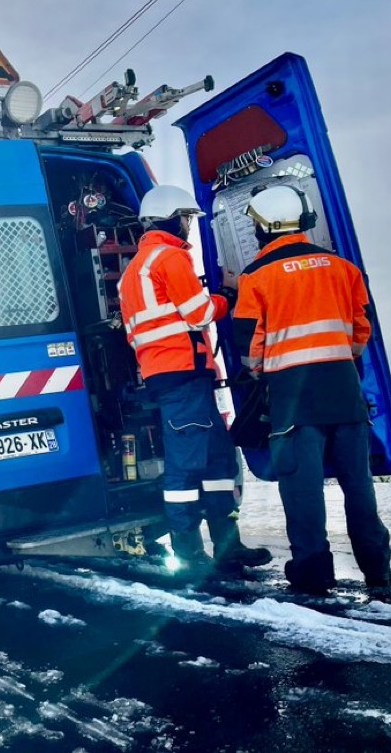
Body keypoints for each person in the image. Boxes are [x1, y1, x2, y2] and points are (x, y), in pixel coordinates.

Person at [231, 184, 391, 595]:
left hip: (293, 402)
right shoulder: (344, 269)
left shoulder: (255, 278)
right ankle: (378, 574)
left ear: (265, 228)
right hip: (344, 393)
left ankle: (314, 576)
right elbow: (362, 331)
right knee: (359, 490)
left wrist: (263, 370)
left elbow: (250, 349)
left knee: (303, 494)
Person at [118, 185, 272, 574]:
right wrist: (229, 296)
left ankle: (228, 547)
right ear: (170, 217)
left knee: (220, 461)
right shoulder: (169, 257)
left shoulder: (133, 271)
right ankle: (189, 555)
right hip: (182, 375)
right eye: (185, 217)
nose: (187, 225)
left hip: (176, 376)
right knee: (186, 468)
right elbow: (200, 312)